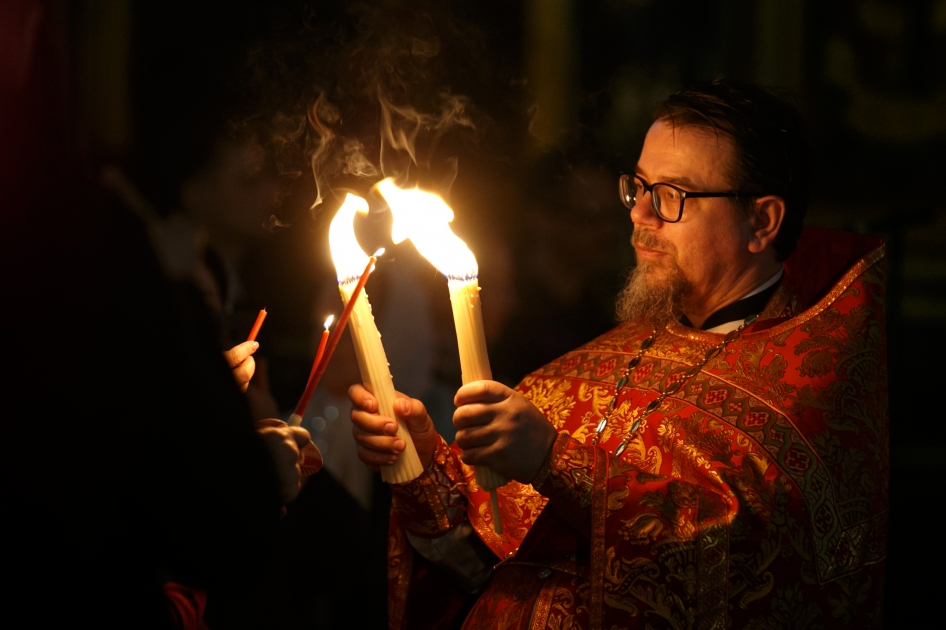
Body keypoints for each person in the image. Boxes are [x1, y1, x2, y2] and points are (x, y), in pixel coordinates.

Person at [348, 78, 888, 629]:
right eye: (638, 187)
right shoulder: (595, 362)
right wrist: (418, 469)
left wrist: (554, 461)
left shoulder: (810, 388)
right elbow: (477, 562)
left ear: (761, 221)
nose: (640, 216)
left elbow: (743, 562)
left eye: (673, 196)